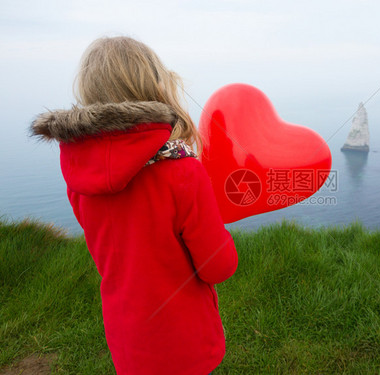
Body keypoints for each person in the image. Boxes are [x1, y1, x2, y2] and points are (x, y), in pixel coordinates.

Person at [31, 36, 238, 375]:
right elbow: (218, 267)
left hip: (126, 335)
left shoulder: (78, 174)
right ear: (155, 88)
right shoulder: (182, 172)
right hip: (185, 343)